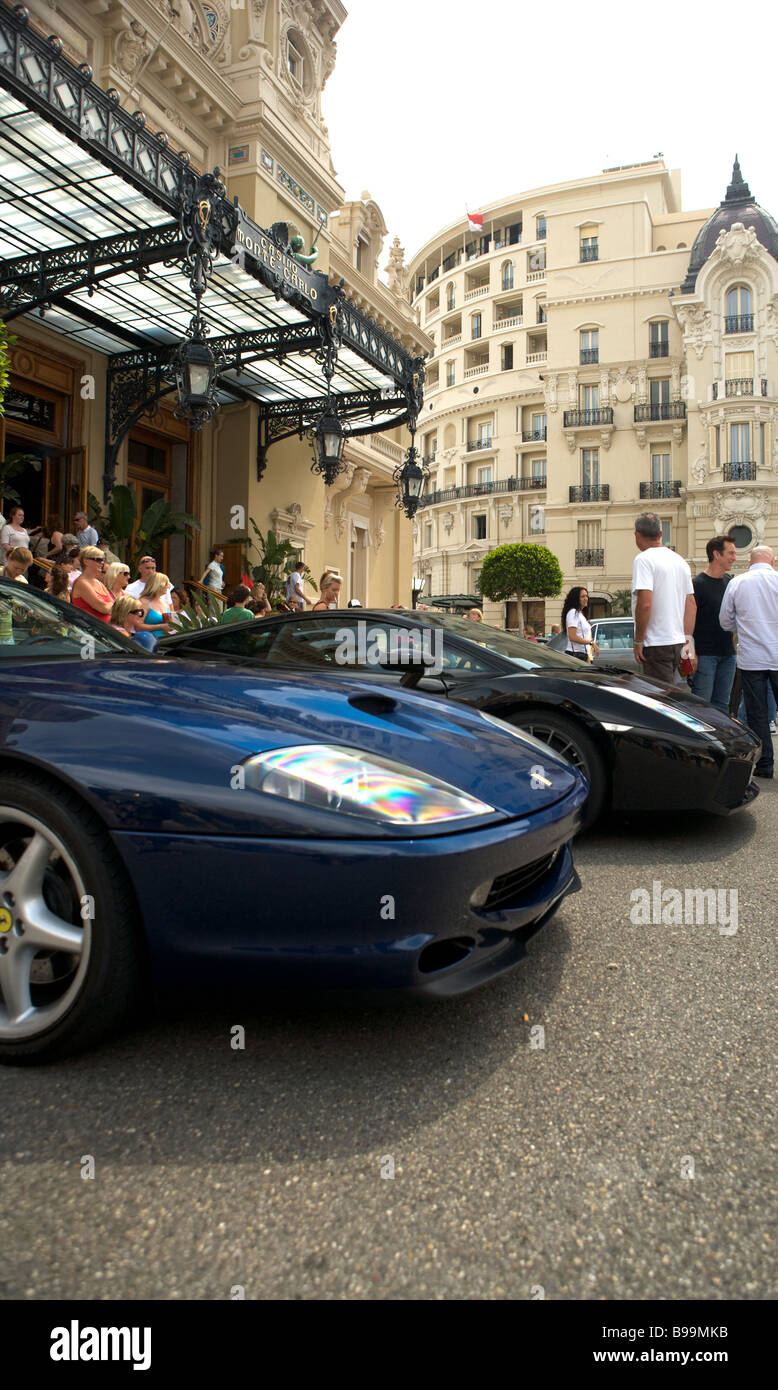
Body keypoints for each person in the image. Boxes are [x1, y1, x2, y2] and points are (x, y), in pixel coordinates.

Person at [719, 545, 778, 778]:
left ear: (751, 562)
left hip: (752, 658)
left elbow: (725, 621)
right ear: (772, 561)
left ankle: (765, 764)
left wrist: (744, 628)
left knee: (757, 714)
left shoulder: (737, 583)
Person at [632, 511, 696, 684]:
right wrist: (687, 643)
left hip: (655, 643)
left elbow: (645, 604)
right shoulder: (681, 561)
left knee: (659, 700)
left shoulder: (643, 560)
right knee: (673, 698)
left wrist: (638, 640)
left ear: (637, 535)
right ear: (661, 534)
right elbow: (691, 605)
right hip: (678, 642)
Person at [690, 536, 737, 712]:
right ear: (717, 554)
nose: (734, 557)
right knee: (701, 706)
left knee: (722, 706)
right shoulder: (697, 584)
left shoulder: (730, 583)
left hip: (728, 655)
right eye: (730, 553)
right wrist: (691, 651)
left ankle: (719, 740)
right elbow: (688, 619)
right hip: (704, 656)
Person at [71, 547, 114, 621]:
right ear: (86, 561)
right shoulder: (81, 583)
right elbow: (103, 608)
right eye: (98, 560)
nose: (102, 563)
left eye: (103, 560)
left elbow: (115, 607)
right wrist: (110, 606)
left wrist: (110, 606)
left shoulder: (99, 583)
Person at [561, 585, 599, 661]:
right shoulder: (573, 612)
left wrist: (589, 654)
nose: (586, 598)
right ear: (576, 599)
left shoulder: (580, 614)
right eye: (582, 596)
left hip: (583, 655)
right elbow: (573, 637)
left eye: (586, 596)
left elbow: (585, 636)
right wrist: (591, 643)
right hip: (576, 655)